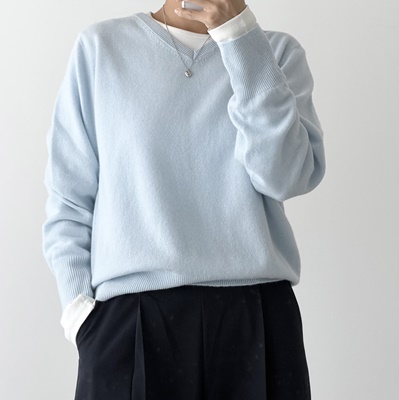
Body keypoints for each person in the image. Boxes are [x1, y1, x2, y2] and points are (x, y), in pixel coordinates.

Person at [42, 0, 326, 399]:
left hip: (257, 314)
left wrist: (239, 37)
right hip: (130, 320)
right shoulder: (102, 47)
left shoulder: (275, 53)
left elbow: (287, 177)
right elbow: (70, 197)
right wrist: (79, 316)